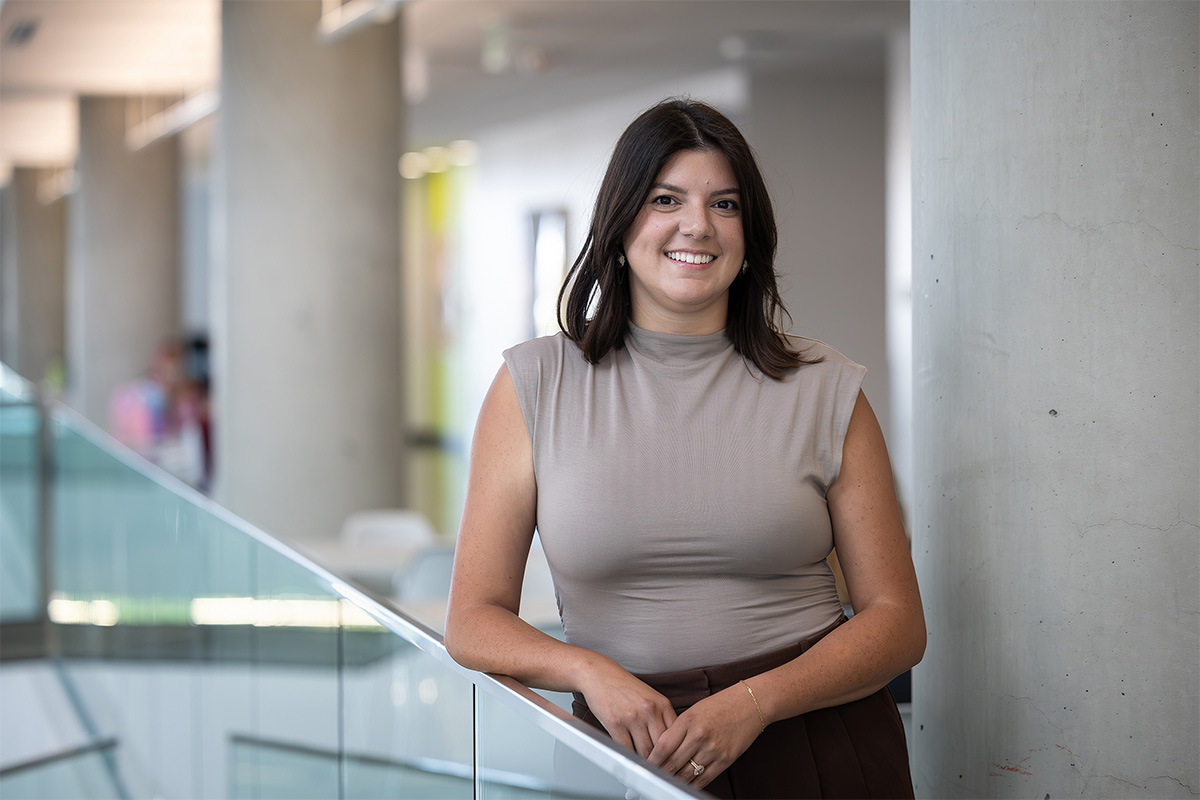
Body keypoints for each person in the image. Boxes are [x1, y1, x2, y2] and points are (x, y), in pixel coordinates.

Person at [444, 98, 925, 799]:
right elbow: (472, 620)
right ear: (620, 221)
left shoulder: (824, 388)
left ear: (749, 234)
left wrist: (755, 703)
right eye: (666, 198)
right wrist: (587, 671)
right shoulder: (533, 385)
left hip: (815, 742)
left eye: (724, 204)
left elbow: (896, 622)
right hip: (624, 749)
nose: (696, 225)